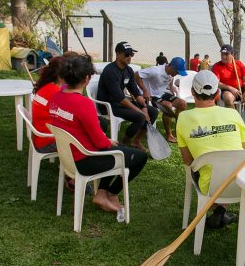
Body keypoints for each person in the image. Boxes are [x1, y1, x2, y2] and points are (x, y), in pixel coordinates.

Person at [49, 55, 147, 213]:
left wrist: (108, 142)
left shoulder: (55, 97)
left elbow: (77, 129)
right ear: (87, 79)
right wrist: (108, 142)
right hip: (85, 160)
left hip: (68, 157)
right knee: (139, 157)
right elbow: (101, 143)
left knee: (118, 147)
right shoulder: (84, 103)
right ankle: (112, 193)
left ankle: (101, 193)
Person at [176, 70, 245, 229]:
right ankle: (222, 212)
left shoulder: (182, 118)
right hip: (241, 183)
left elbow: (188, 161)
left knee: (200, 171)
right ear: (217, 93)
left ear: (192, 92)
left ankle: (219, 211)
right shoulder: (233, 114)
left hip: (210, 187)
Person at [97, 42, 159, 151]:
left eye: (131, 54)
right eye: (127, 54)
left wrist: (144, 107)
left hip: (121, 102)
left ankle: (136, 140)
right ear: (118, 54)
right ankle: (126, 141)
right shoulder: (110, 71)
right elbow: (120, 98)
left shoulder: (128, 70)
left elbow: (135, 91)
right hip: (109, 105)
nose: (129, 57)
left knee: (153, 111)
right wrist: (140, 111)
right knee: (140, 116)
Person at [135, 56, 188, 143]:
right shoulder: (156, 71)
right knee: (168, 105)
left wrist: (171, 87)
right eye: (177, 72)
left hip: (161, 94)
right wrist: (144, 91)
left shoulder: (171, 72)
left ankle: (178, 131)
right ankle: (169, 135)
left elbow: (170, 78)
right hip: (150, 96)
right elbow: (137, 74)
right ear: (172, 67)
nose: (177, 74)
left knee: (183, 103)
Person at [31, 57, 65, 153]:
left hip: (41, 138)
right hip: (48, 141)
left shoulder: (45, 86)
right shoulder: (55, 92)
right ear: (60, 76)